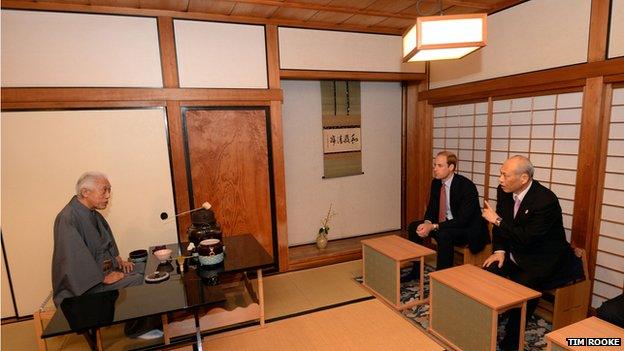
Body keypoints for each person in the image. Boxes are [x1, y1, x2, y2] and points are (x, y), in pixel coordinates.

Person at [482, 155, 583, 351]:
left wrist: (497, 221)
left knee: (523, 289)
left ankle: (511, 341)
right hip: (514, 251)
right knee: (489, 271)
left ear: (524, 178)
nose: (500, 179)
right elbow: (502, 228)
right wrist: (500, 250)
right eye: (500, 174)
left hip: (543, 258)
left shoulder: (545, 200)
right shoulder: (504, 190)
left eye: (505, 175)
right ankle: (488, 321)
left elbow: (528, 237)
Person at [52, 171, 161, 340]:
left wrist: (118, 260)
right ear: (85, 192)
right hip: (85, 287)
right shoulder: (68, 218)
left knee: (149, 268)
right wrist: (102, 277)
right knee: (139, 279)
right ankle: (136, 329)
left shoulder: (92, 214)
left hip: (102, 274)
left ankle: (154, 321)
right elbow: (72, 260)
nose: (108, 195)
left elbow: (106, 244)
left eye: (109, 190)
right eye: (104, 190)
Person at [403, 151, 489, 282]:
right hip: (445, 224)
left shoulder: (466, 186)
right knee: (414, 226)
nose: (435, 169)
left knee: (444, 234)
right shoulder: (436, 183)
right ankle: (416, 270)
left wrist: (434, 226)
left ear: (451, 167)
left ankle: (442, 278)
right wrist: (427, 222)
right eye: (434, 165)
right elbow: (432, 208)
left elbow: (463, 220)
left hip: (467, 229)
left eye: (439, 165)